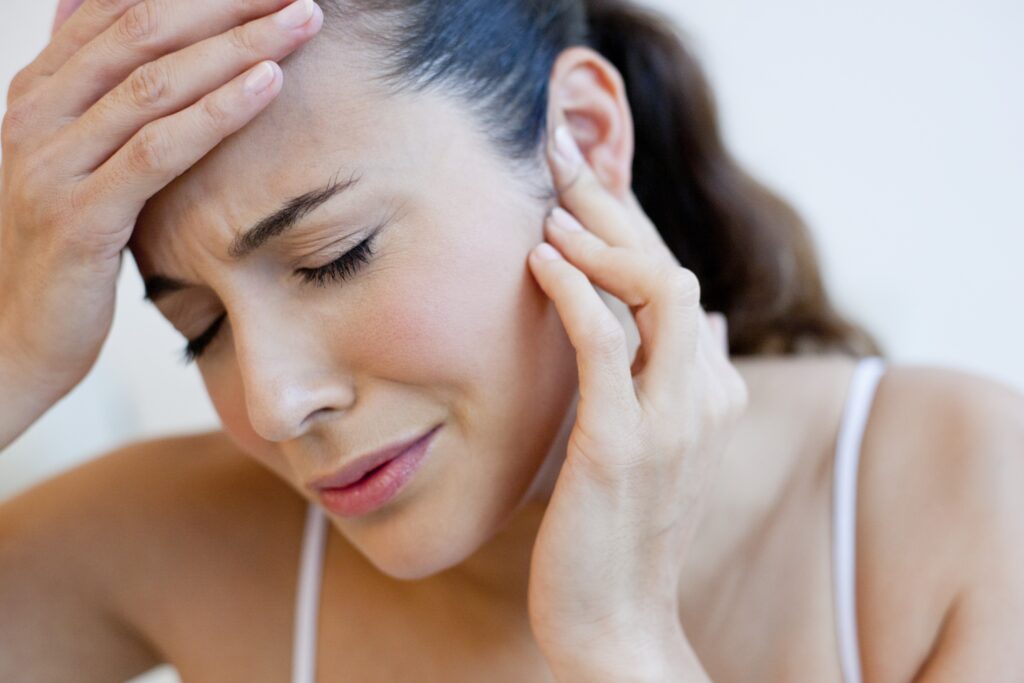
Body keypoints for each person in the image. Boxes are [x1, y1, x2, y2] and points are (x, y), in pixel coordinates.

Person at [1, 0, 1022, 680]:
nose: (271, 403)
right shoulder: (188, 544)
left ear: (577, 138)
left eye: (334, 256)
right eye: (201, 327)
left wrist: (619, 643)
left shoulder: (970, 498)